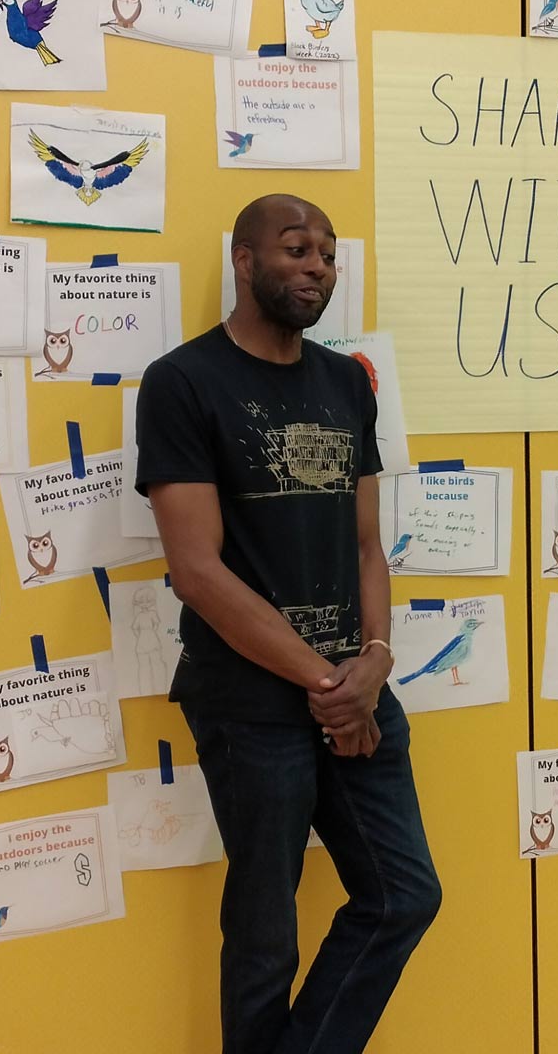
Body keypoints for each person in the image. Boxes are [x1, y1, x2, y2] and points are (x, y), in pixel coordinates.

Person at [135, 194, 441, 1054]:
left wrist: (374, 662)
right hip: (249, 703)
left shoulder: (347, 382)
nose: (317, 267)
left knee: (402, 893)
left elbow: (368, 543)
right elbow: (197, 571)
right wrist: (326, 683)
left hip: (354, 691)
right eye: (297, 248)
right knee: (267, 933)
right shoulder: (183, 382)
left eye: (329, 255)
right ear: (244, 259)